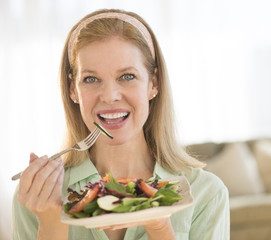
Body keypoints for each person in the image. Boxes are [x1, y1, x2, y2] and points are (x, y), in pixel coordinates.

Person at [12, 8, 230, 240]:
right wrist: (51, 222)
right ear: (73, 90)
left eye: (127, 76)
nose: (109, 96)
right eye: (91, 79)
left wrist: (158, 226)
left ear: (153, 83)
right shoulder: (37, 195)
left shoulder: (206, 192)